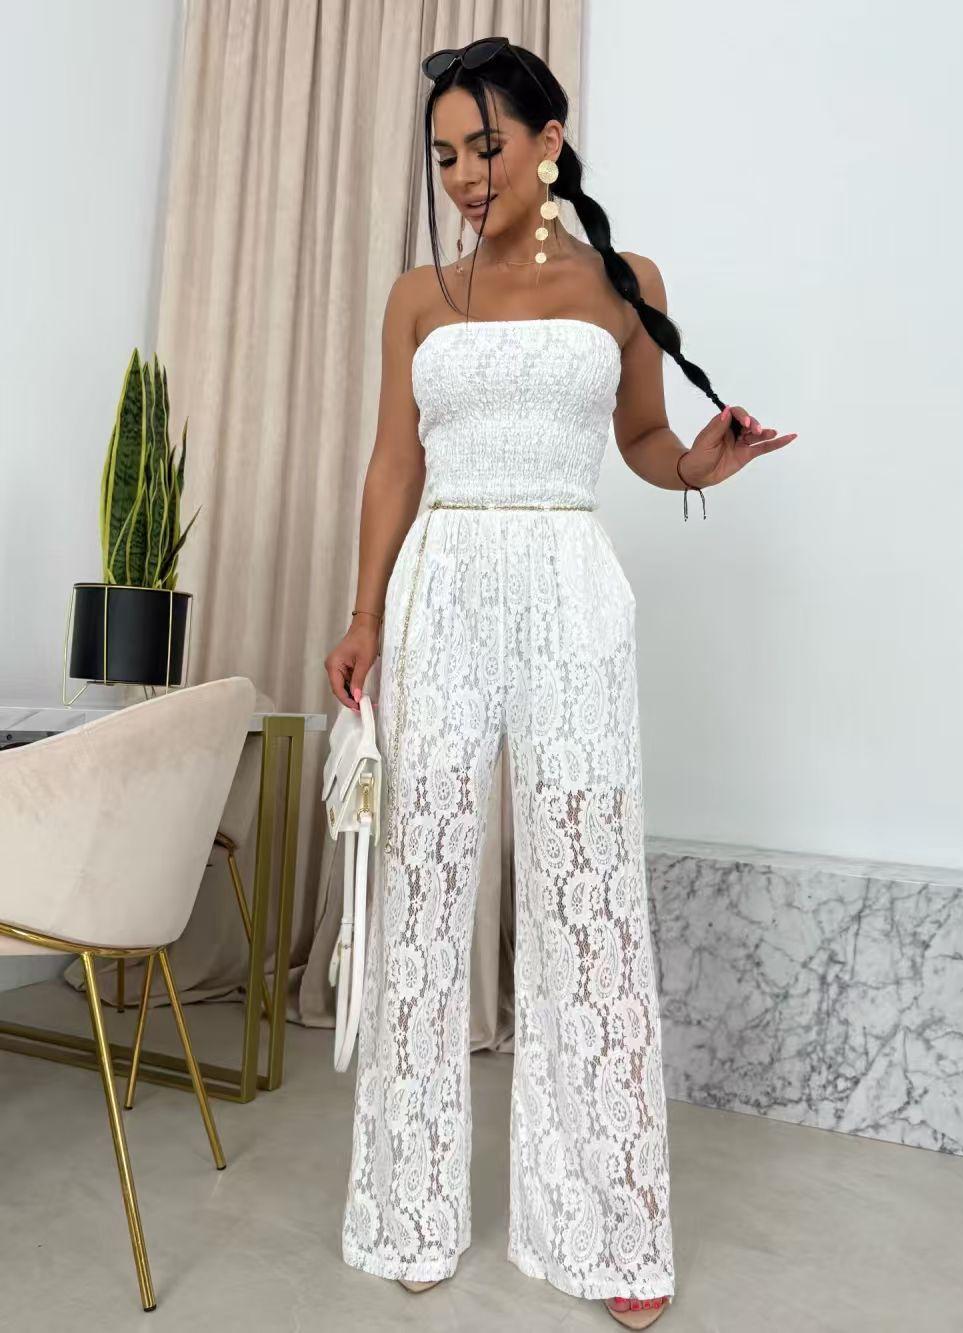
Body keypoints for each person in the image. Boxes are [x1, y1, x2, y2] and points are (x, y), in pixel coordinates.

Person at [324, 37, 797, 1331]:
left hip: (571, 587)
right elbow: (393, 465)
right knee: (425, 888)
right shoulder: (418, 295)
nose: (464, 174)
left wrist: (700, 463)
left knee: (588, 896)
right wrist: (364, 615)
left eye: (485, 146)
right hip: (442, 587)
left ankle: (607, 1224)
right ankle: (412, 1202)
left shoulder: (624, 283)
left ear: (548, 138)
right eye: (444, 156)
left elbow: (642, 437)